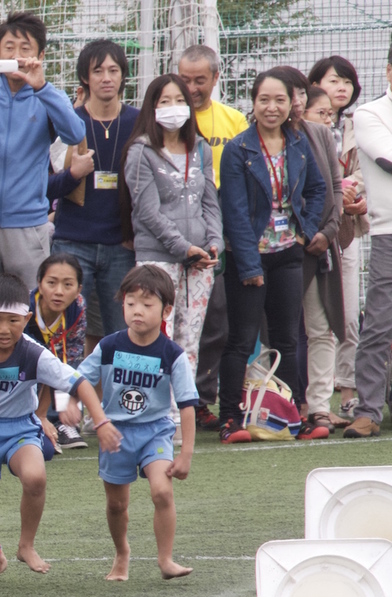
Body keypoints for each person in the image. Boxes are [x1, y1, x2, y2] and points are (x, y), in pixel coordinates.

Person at [0, 275, 118, 579]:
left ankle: (26, 545)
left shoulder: (34, 352)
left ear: (26, 318)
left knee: (35, 477)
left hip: (20, 429)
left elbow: (79, 382)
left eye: (13, 320)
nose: (4, 329)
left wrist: (100, 421)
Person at [217, 70, 326, 444]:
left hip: (288, 255)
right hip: (249, 259)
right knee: (242, 340)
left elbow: (317, 188)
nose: (272, 107)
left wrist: (305, 232)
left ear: (291, 104)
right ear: (253, 102)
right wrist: (248, 266)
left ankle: (292, 415)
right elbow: (232, 213)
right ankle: (230, 417)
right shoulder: (238, 149)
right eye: (264, 99)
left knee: (287, 340)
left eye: (279, 100)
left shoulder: (297, 143)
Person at [0, 12, 82, 320]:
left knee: (28, 315)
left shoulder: (48, 94)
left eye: (25, 49)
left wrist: (42, 88)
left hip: (28, 225)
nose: (16, 56)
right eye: (8, 47)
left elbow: (75, 133)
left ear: (39, 55)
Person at [75, 265, 197, 580]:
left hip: (155, 432)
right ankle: (121, 553)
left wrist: (185, 454)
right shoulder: (109, 346)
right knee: (117, 505)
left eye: (147, 304)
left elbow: (186, 405)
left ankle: (166, 559)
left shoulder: (173, 355)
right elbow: (80, 380)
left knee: (162, 492)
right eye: (131, 304)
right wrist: (72, 406)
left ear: (166, 310)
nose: (137, 311)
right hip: (114, 434)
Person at [122, 73, 223, 443]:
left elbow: (210, 202)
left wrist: (215, 244)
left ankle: (181, 418)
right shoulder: (141, 151)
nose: (172, 108)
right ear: (151, 107)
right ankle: (151, 416)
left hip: (200, 264)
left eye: (178, 100)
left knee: (188, 340)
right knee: (154, 336)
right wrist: (184, 247)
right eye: (163, 101)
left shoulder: (201, 149)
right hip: (157, 259)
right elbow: (146, 212)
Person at [177, 45, 250, 431]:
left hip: (219, 226)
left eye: (199, 80)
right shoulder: (164, 118)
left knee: (215, 318)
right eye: (184, 79)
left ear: (215, 78)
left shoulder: (234, 120)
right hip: (174, 225)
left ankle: (202, 399)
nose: (190, 88)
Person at [269, 66, 344, 441]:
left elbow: (333, 188)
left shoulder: (319, 134)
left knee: (321, 329)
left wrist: (325, 232)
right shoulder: (262, 140)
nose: (295, 103)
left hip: (318, 248)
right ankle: (285, 405)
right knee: (279, 331)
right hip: (279, 249)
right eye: (287, 95)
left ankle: (319, 407)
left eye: (299, 95)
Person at [48, 39, 140, 346]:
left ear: (123, 75)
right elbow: (45, 189)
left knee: (120, 332)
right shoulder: (68, 122)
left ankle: (115, 394)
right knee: (66, 329)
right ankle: (63, 395)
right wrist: (73, 175)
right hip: (73, 242)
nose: (106, 78)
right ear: (85, 77)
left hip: (121, 246)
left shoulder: (138, 121)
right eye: (98, 70)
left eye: (114, 70)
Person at [309, 56, 365, 421]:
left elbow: (364, 172)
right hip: (310, 232)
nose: (341, 87)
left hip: (347, 231)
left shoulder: (360, 124)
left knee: (346, 314)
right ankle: (303, 398)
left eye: (347, 81)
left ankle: (347, 389)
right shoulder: (302, 126)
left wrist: (356, 196)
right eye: (333, 80)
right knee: (310, 320)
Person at [342, 48, 392, 439]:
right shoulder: (370, 113)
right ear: (389, 71)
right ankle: (368, 411)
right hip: (388, 232)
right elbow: (387, 159)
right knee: (378, 324)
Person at [26, 254, 88, 451]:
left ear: (78, 289)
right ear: (39, 283)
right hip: (17, 372)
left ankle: (60, 422)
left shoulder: (77, 308)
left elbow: (68, 358)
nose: (59, 292)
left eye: (68, 285)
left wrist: (72, 399)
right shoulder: (23, 309)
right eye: (51, 283)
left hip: (50, 367)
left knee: (68, 364)